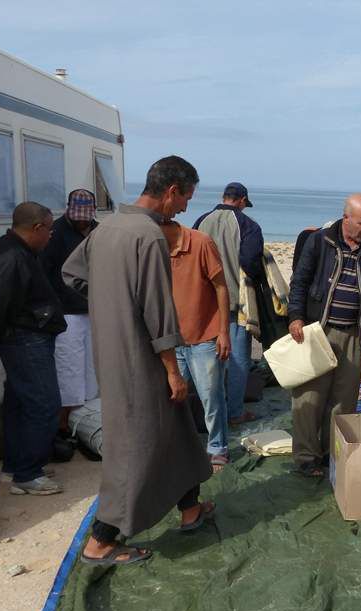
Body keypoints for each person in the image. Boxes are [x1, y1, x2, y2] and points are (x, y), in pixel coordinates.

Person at [63, 156, 213, 565]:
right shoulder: (148, 236)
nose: (184, 209)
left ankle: (191, 508)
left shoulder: (106, 226)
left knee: (177, 430)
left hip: (111, 351)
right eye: (184, 199)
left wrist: (110, 304)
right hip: (140, 359)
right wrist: (172, 371)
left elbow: (71, 274)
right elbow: (158, 314)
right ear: (170, 192)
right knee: (136, 444)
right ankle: (101, 539)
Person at [0, 202, 66, 495]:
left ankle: (15, 466)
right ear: (37, 228)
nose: (51, 236)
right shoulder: (10, 255)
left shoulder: (15, 250)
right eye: (49, 230)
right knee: (44, 404)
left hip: (25, 337)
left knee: (19, 403)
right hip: (25, 340)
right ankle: (27, 474)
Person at [287, 194, 361, 476]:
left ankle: (331, 455)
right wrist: (295, 317)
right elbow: (300, 281)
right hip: (317, 329)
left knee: (343, 400)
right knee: (309, 398)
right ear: (346, 217)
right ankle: (305, 458)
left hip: (352, 332)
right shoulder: (320, 241)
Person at [161, 220, 232, 470]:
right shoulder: (154, 249)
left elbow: (222, 287)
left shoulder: (201, 243)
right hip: (171, 340)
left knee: (211, 397)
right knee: (173, 397)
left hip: (204, 337)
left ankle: (218, 447)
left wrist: (223, 331)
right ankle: (180, 447)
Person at [193, 182, 265, 425]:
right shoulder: (249, 226)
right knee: (237, 359)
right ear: (242, 200)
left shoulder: (201, 221)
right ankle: (234, 412)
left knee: (205, 360)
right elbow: (250, 262)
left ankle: (205, 413)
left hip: (203, 302)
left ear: (223, 197)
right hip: (235, 303)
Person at [40, 189, 99, 437]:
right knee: (68, 370)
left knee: (91, 369)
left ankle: (86, 422)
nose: (82, 221)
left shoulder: (99, 230)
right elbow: (43, 272)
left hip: (93, 309)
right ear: (69, 209)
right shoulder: (56, 233)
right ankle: (62, 425)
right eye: (78, 216)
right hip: (66, 314)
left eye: (86, 216)